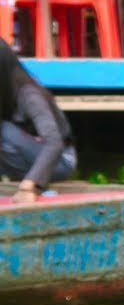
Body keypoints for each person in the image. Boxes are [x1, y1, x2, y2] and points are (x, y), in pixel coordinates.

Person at [0, 38, 75, 203]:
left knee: (4, 131)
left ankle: (34, 178)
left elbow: (54, 143)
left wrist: (29, 185)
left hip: (61, 162)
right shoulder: (5, 97)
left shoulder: (29, 95)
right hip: (28, 155)